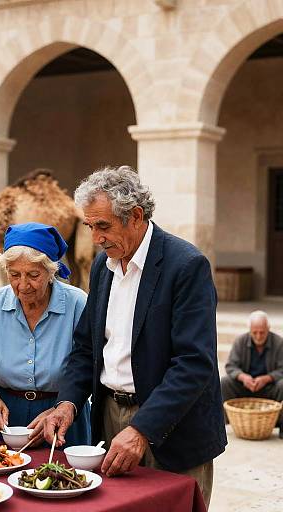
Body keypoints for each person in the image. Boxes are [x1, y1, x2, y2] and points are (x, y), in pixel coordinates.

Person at [36, 166, 226, 508]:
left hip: (173, 428)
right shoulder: (101, 266)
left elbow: (194, 364)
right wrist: (67, 402)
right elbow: (86, 347)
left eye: (104, 226)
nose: (96, 238)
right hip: (109, 416)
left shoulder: (186, 266)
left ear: (136, 216)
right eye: (90, 226)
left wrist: (142, 429)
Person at [0, 222, 91, 446]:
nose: (23, 285)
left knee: (63, 479)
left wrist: (60, 409)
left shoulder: (77, 303)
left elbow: (90, 370)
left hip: (62, 416)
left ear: (51, 271)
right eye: (14, 275)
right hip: (7, 419)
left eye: (33, 275)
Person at [221, 310, 283, 438]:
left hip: (269, 388)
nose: (259, 336)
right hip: (245, 386)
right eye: (255, 332)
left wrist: (267, 378)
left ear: (268, 329)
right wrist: (243, 377)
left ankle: (280, 424)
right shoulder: (240, 341)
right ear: (250, 330)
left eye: (262, 332)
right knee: (225, 382)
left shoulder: (279, 343)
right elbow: (231, 366)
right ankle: (223, 423)